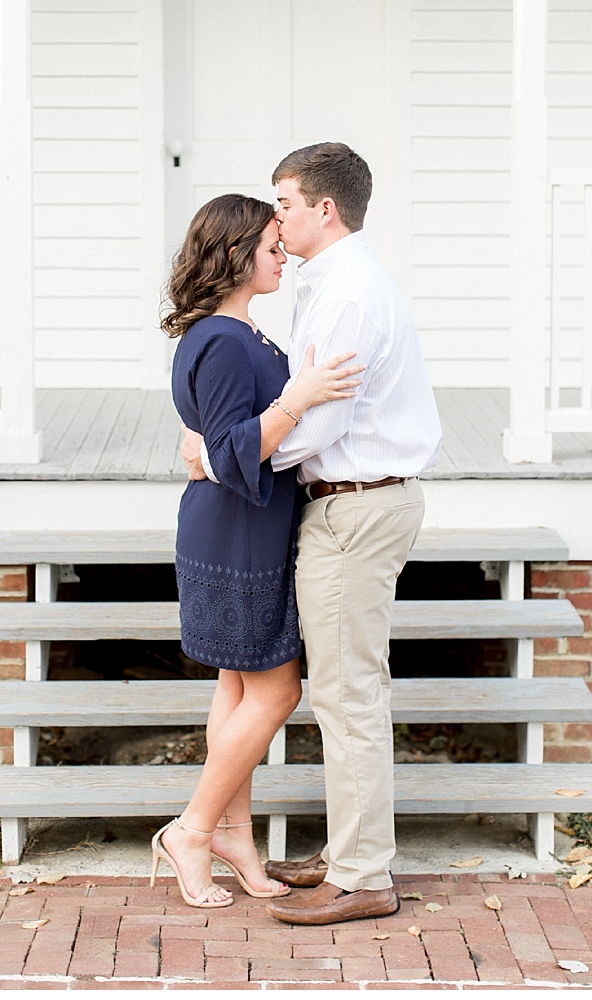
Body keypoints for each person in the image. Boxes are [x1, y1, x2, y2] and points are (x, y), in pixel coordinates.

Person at [182, 143, 442, 927]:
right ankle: (349, 851)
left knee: (346, 692)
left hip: (355, 506)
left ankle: (363, 876)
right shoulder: (329, 287)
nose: (279, 219)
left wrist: (224, 454)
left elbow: (316, 421)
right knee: (336, 687)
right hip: (341, 504)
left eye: (286, 204)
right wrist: (231, 442)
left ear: (324, 209)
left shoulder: (347, 295)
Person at [152, 194, 362, 908]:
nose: (283, 256)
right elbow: (238, 452)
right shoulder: (220, 339)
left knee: (238, 686)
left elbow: (216, 443)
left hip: (248, 528)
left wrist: (217, 441)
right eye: (273, 247)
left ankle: (234, 835)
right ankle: (193, 828)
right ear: (239, 255)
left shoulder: (241, 335)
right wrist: (298, 398)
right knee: (279, 689)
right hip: (235, 533)